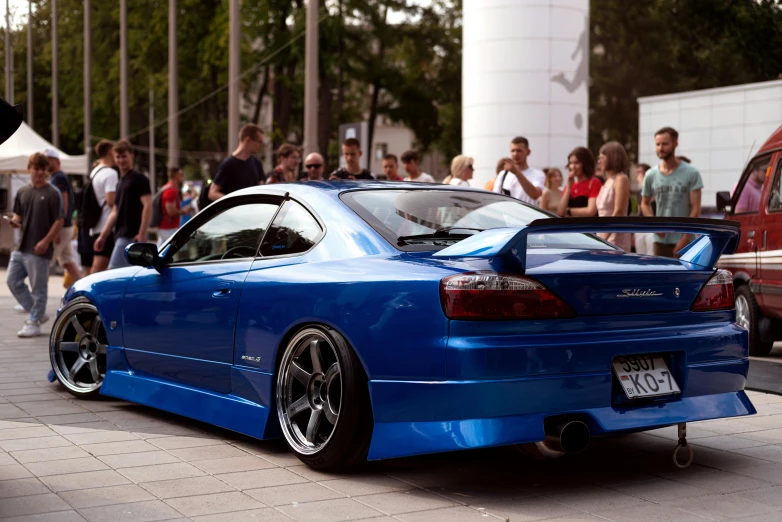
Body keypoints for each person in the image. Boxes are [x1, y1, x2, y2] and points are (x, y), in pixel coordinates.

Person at [6, 153, 64, 337]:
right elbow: (18, 215)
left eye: (42, 169)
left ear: (46, 171)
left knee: (38, 288)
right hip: (21, 246)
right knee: (12, 281)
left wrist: (46, 241)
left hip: (40, 247)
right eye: (35, 168)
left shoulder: (52, 193)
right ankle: (37, 314)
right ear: (29, 168)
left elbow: (59, 220)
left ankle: (34, 322)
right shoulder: (23, 191)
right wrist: (14, 221)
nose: (39, 172)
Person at [641, 127, 703, 258]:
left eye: (665, 144)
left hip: (686, 241)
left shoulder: (691, 173)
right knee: (660, 277)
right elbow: (644, 203)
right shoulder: (650, 175)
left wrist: (685, 239)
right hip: (659, 241)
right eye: (657, 144)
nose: (660, 148)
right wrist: (655, 226)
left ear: (675, 143)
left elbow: (696, 208)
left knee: (685, 278)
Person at [94, 140, 153, 269]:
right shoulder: (120, 182)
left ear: (131, 156)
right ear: (114, 159)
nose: (121, 160)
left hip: (132, 236)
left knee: (113, 272)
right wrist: (103, 236)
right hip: (120, 234)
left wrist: (142, 233)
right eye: (118, 157)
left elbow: (148, 205)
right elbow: (115, 211)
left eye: (124, 156)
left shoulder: (139, 179)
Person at [44, 148, 81, 285]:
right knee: (68, 262)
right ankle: (85, 292)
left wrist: (57, 228)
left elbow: (63, 202)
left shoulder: (58, 177)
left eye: (48, 160)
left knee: (44, 263)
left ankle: (37, 298)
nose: (46, 163)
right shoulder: (56, 177)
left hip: (61, 226)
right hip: (64, 226)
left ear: (56, 161)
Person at [209, 123, 266, 201]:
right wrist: (234, 202)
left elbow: (261, 190)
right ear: (248, 140)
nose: (261, 145)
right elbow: (212, 193)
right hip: (235, 212)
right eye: (259, 142)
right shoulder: (229, 164)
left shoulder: (257, 163)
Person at [86, 140, 119, 274]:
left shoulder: (95, 171)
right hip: (107, 225)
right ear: (111, 151)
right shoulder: (110, 173)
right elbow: (111, 201)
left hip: (96, 224)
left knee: (100, 266)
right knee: (100, 266)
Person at [596, 142, 631, 251]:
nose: (599, 161)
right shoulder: (608, 181)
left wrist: (604, 238)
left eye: (602, 158)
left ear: (612, 158)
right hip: (603, 234)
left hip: (615, 237)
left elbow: (619, 211)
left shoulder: (621, 179)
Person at [492, 137, 546, 206]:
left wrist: (517, 172)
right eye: (513, 151)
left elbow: (535, 195)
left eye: (519, 151)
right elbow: (496, 199)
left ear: (528, 152)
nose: (515, 154)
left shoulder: (537, 174)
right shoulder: (503, 174)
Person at [557, 147, 601, 217]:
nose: (573, 166)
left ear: (585, 164)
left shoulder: (594, 183)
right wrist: (568, 187)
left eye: (576, 163)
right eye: (571, 163)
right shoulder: (569, 186)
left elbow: (591, 211)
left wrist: (568, 211)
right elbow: (560, 212)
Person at [157, 166, 190, 246]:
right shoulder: (171, 190)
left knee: (160, 249)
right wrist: (184, 211)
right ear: (176, 175)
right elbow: (170, 211)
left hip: (166, 227)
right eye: (181, 174)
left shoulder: (170, 188)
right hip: (169, 227)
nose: (182, 177)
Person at [633, 162, 654, 255]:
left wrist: (643, 183)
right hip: (640, 229)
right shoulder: (639, 191)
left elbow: (650, 201)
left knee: (652, 256)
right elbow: (639, 211)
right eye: (636, 172)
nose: (637, 175)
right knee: (640, 256)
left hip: (651, 230)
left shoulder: (653, 187)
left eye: (639, 172)